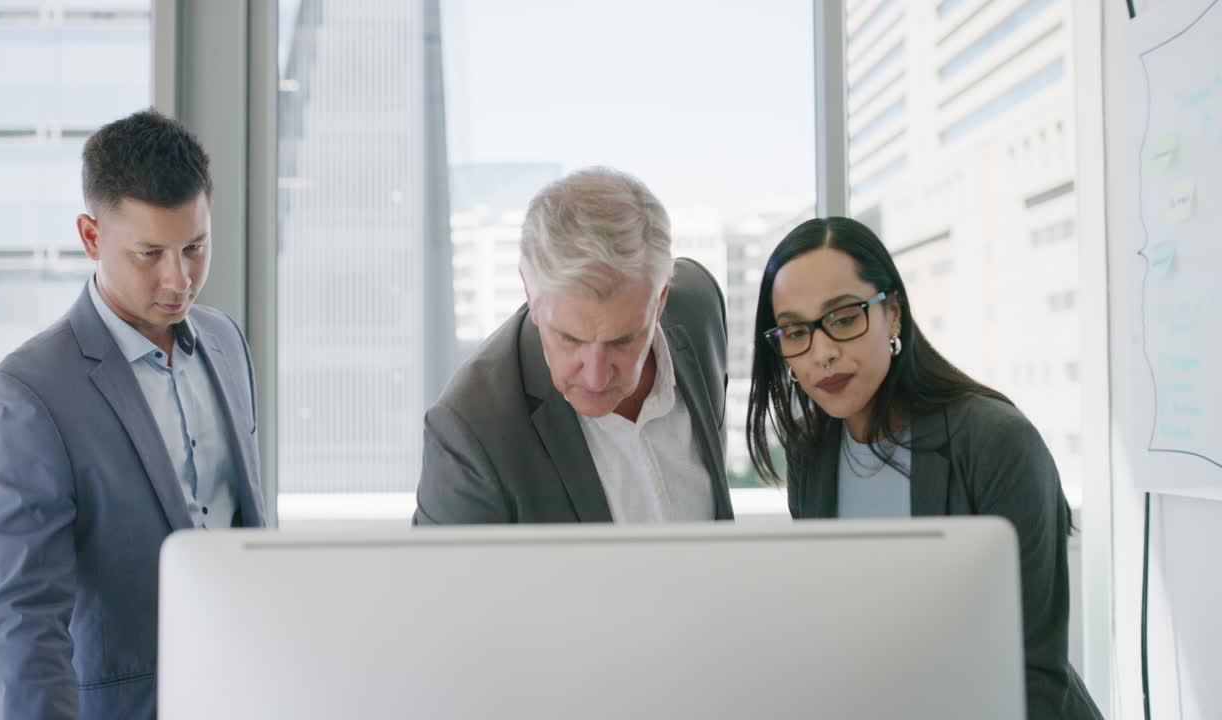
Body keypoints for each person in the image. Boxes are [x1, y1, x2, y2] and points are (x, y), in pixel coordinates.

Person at [0, 109, 268, 720]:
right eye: (149, 253)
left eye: (195, 247)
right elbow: (20, 622)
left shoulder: (225, 342)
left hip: (246, 693)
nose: (178, 279)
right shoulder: (28, 394)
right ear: (90, 236)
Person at [745, 216, 1102, 719]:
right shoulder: (811, 451)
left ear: (892, 314)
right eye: (796, 331)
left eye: (843, 318)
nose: (821, 353)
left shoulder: (995, 441)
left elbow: (1034, 671)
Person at [415, 167, 732, 524]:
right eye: (569, 339)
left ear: (660, 301)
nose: (596, 378)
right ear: (530, 294)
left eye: (623, 340)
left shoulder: (699, 309)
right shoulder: (468, 433)